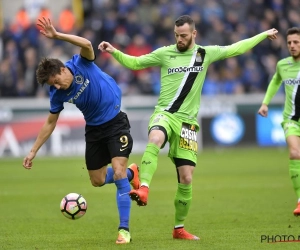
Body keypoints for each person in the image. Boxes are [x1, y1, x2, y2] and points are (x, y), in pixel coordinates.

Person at [99, 15, 278, 240]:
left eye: (183, 36)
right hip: (165, 114)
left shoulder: (205, 53)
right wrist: (114, 51)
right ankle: (143, 187)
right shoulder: (165, 53)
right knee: (155, 138)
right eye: (176, 35)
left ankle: (179, 229)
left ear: (194, 34)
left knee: (186, 178)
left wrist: (263, 35)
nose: (179, 40)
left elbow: (236, 49)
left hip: (187, 124)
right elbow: (136, 63)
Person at [22, 17, 140, 244]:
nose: (56, 86)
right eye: (52, 85)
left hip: (115, 122)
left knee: (117, 172)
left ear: (62, 69)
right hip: (94, 129)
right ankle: (131, 174)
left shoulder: (80, 63)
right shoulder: (58, 94)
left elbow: (86, 43)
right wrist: (33, 150)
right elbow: (50, 122)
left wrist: (57, 35)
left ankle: (124, 230)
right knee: (96, 180)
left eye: (55, 80)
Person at [258, 27, 300, 217]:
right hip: (291, 119)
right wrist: (265, 103)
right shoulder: (283, 65)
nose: (292, 46)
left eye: (296, 42)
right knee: (294, 152)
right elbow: (275, 81)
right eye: (290, 42)